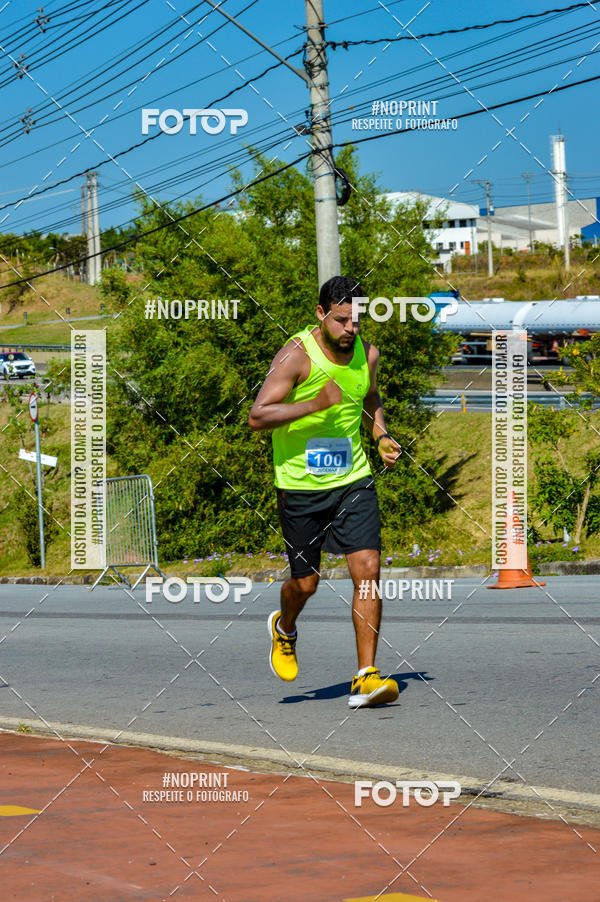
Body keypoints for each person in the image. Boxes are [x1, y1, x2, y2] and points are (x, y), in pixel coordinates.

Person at [248, 275, 401, 708]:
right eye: (341, 320)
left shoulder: (368, 355)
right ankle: (284, 627)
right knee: (305, 583)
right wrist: (316, 403)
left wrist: (380, 435)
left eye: (357, 320)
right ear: (320, 314)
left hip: (352, 479)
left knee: (368, 568)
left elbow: (369, 397)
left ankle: (366, 676)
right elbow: (258, 416)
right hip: (299, 486)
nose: (350, 328)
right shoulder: (296, 356)